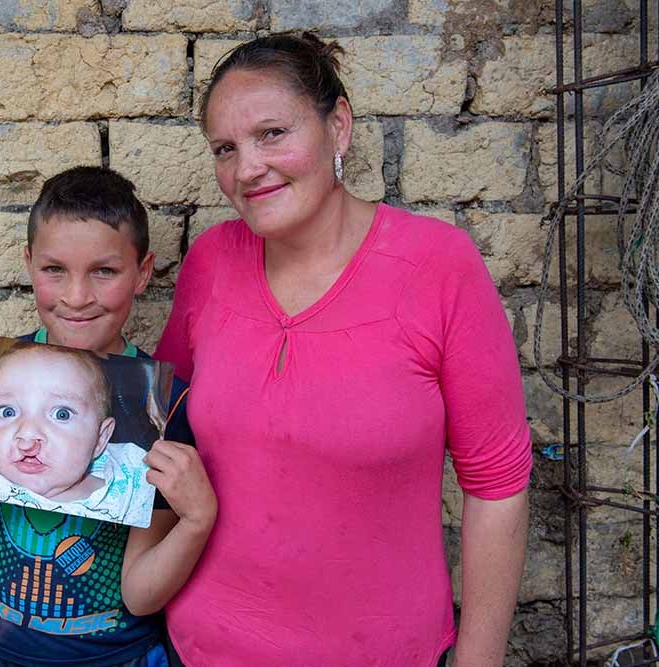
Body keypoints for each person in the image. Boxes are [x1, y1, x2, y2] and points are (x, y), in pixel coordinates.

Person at [154, 33, 532, 666]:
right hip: (202, 648)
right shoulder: (212, 262)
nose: (247, 168)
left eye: (272, 133)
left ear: (339, 127)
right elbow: (159, 424)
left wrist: (479, 660)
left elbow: (496, 484)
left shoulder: (437, 266)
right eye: (226, 148)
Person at [0, 167, 217, 667]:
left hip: (115, 656)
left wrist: (197, 520)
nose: (76, 296)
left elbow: (141, 595)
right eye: (55, 270)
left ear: (143, 272)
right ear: (29, 263)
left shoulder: (161, 410)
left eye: (105, 271)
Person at [0, 341, 159, 527]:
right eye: (8, 411)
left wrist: (192, 522)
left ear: (100, 438)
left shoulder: (131, 488)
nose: (27, 436)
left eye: (62, 415)